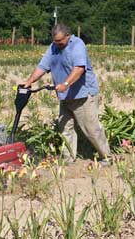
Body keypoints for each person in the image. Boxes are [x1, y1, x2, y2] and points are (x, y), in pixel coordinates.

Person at [23, 24, 111, 164]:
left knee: (91, 129)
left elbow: (79, 68)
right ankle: (68, 158)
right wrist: (29, 81)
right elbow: (43, 66)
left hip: (82, 95)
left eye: (60, 41)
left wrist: (65, 84)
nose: (57, 44)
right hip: (66, 96)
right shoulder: (53, 47)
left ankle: (106, 157)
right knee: (65, 128)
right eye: (55, 41)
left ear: (68, 36)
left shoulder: (77, 45)